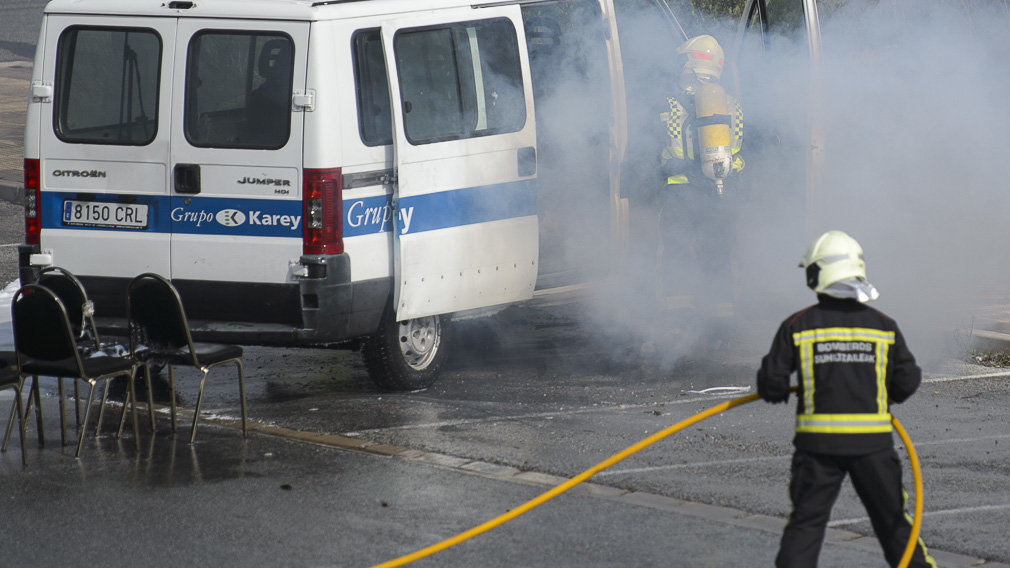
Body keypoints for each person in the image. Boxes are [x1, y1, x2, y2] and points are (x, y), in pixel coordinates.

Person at [757, 230, 936, 568]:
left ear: (818, 274)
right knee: (894, 525)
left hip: (817, 448)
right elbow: (908, 380)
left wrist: (782, 390)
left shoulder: (797, 325)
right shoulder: (884, 326)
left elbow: (771, 384)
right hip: (873, 446)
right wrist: (881, 397)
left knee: (806, 526)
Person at [651, 35, 745, 340]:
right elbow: (739, 154)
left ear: (690, 64)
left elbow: (657, 142)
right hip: (719, 190)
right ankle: (721, 325)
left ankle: (678, 325)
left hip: (679, 191)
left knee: (677, 254)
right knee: (716, 254)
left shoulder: (670, 105)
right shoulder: (732, 105)